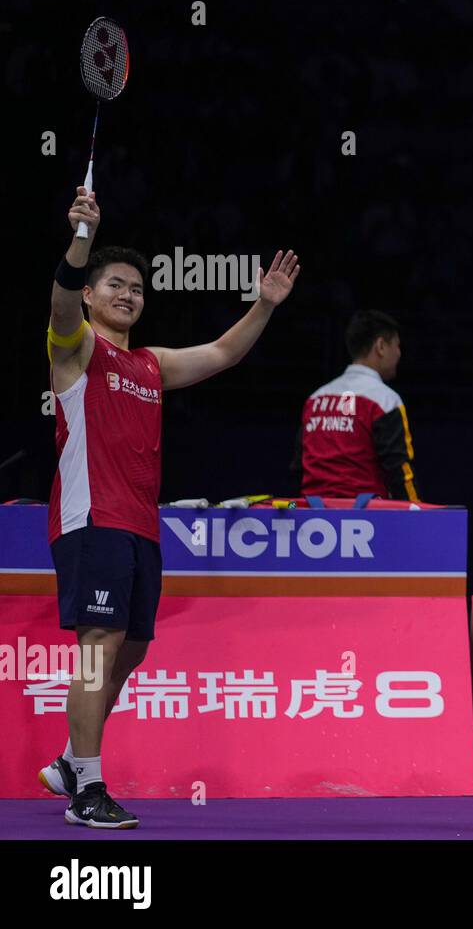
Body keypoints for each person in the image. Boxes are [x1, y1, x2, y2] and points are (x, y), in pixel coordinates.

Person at [38, 186, 300, 828]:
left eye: (137, 288)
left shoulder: (150, 364)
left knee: (131, 650)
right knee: (99, 647)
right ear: (94, 296)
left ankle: (73, 759)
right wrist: (81, 238)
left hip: (139, 525)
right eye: (116, 285)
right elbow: (61, 300)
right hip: (90, 518)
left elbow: (221, 354)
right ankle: (87, 792)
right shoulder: (75, 351)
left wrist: (263, 306)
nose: (128, 295)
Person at [291, 310, 419, 502]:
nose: (399, 354)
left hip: (314, 518)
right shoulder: (385, 400)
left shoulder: (315, 399)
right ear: (381, 346)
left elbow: (299, 467)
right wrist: (416, 514)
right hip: (366, 520)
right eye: (397, 346)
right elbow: (399, 471)